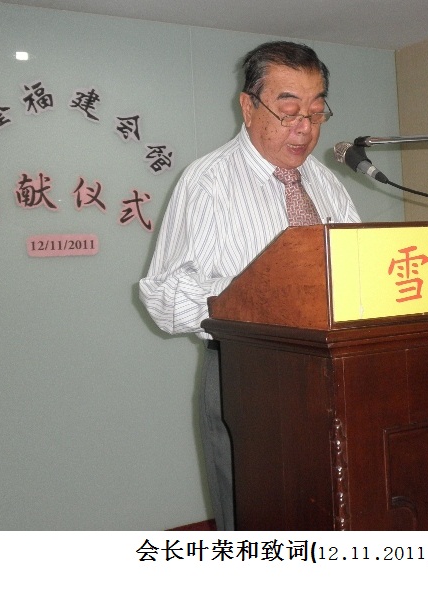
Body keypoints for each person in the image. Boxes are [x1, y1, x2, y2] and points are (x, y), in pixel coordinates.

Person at [139, 41, 360, 530]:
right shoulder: (208, 181)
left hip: (333, 372)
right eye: (288, 111)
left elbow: (355, 270)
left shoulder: (326, 183)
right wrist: (260, 300)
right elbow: (163, 296)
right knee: (256, 515)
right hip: (248, 375)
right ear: (248, 106)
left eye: (316, 112)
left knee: (328, 510)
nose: (304, 127)